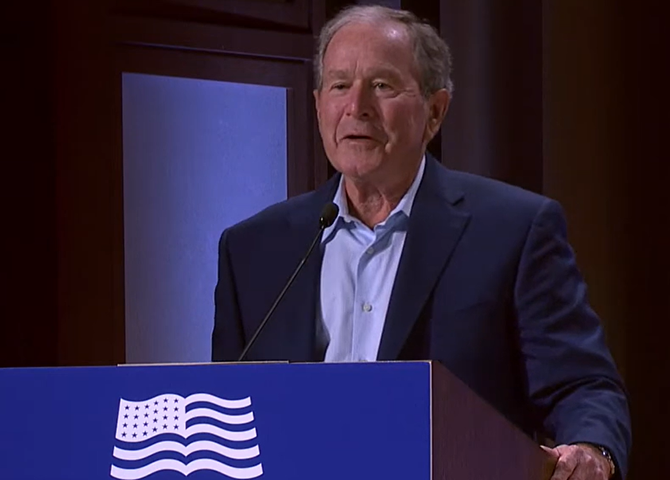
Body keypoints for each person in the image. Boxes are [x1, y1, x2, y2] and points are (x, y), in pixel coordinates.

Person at [211, 5, 631, 480]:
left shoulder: (513, 230)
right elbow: (227, 404)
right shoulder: (253, 249)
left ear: (435, 111)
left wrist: (592, 448)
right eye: (340, 85)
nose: (357, 107)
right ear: (318, 104)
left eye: (382, 85)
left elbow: (583, 385)